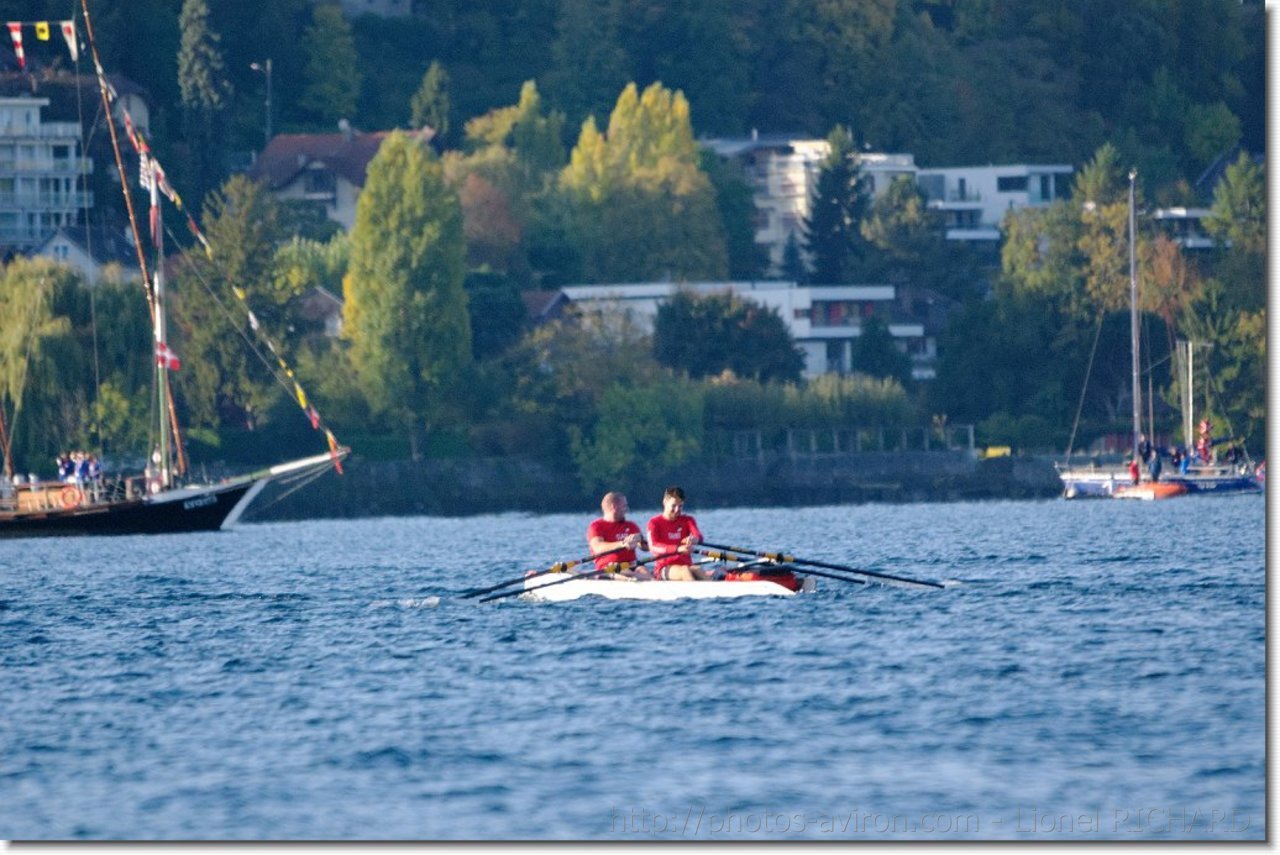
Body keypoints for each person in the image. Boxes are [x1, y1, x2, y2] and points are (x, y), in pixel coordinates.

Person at [647, 486, 709, 581]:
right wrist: (678, 549)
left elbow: (699, 536)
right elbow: (653, 547)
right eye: (674, 506)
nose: (677, 510)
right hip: (664, 568)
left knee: (698, 569)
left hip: (687, 566)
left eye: (680, 506)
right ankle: (694, 594)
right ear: (665, 502)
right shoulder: (654, 523)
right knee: (685, 570)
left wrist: (694, 539)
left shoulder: (688, 520)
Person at [586, 492, 646, 573]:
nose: (627, 509)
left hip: (632, 565)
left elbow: (646, 548)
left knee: (643, 570)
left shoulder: (631, 526)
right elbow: (597, 548)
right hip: (609, 567)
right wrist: (622, 544)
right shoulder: (596, 526)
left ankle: (646, 579)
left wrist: (640, 538)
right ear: (614, 507)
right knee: (626, 572)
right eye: (624, 506)